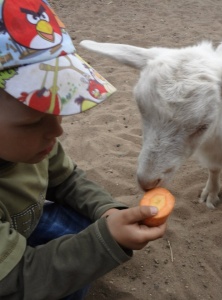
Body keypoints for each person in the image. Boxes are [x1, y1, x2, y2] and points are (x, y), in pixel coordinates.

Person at [0, 1, 167, 299]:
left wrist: (108, 211)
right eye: (34, 119)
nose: (57, 131)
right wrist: (106, 240)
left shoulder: (38, 147)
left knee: (87, 226)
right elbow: (17, 279)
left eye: (57, 109)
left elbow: (67, 180)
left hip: (24, 227)